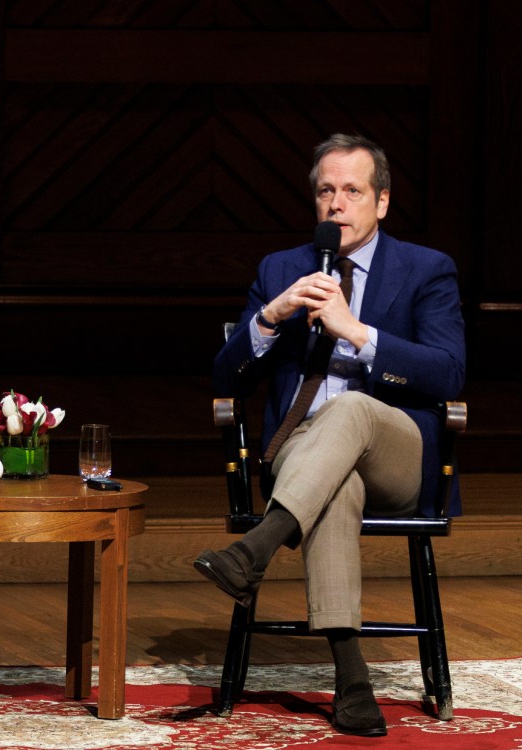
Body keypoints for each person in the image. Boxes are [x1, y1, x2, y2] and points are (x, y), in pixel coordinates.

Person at [195, 134, 465, 737]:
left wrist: (357, 331)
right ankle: (353, 682)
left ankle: (256, 549)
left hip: (396, 452)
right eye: (325, 191)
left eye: (352, 191)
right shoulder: (280, 270)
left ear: (382, 202)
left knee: (350, 413)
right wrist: (270, 318)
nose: (336, 205)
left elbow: (449, 371)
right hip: (302, 456)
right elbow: (223, 376)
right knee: (333, 485)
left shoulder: (427, 269)